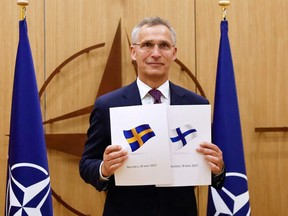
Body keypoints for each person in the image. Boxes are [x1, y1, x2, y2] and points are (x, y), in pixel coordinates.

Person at [79, 17, 225, 216]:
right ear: (133, 52)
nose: (155, 53)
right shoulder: (107, 105)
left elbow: (216, 170)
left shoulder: (196, 104)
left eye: (164, 45)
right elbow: (87, 164)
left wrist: (218, 168)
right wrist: (104, 168)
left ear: (174, 53)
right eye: (147, 45)